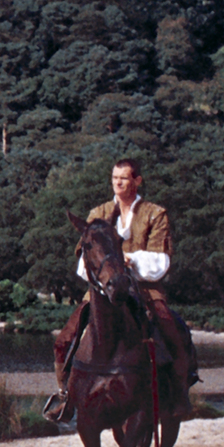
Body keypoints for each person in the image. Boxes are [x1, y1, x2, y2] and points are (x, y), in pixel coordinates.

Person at [45, 158, 199, 421]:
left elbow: (161, 262)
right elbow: (83, 262)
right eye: (115, 177)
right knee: (63, 340)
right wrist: (106, 272)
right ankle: (65, 396)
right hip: (102, 292)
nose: (117, 182)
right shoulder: (97, 213)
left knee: (172, 332)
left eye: (124, 178)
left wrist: (131, 261)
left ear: (137, 181)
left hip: (145, 289)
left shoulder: (155, 213)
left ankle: (178, 394)